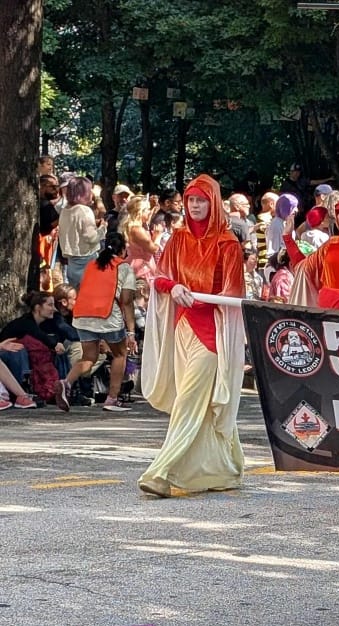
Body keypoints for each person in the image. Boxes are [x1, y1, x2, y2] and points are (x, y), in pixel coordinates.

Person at [138, 174, 246, 498]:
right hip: (183, 327)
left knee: (189, 401)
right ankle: (227, 467)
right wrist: (174, 287)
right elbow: (159, 278)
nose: (195, 206)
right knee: (197, 400)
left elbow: (233, 294)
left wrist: (197, 296)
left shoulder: (228, 244)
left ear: (213, 202)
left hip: (212, 333)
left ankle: (161, 471)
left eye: (201, 200)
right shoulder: (179, 238)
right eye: (191, 200)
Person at [56, 233, 138, 413]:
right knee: (119, 355)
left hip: (83, 315)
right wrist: (131, 332)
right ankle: (112, 398)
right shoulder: (124, 268)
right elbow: (126, 301)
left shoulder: (91, 265)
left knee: (88, 358)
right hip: (108, 316)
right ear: (123, 250)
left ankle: (66, 383)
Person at [0, 292, 68, 405]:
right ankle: (22, 389)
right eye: (50, 305)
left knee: (61, 353)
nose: (54, 309)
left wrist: (57, 343)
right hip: (6, 354)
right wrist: (55, 344)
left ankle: (64, 389)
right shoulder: (26, 322)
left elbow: (62, 333)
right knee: (19, 350)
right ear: (38, 307)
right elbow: (42, 337)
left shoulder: (45, 322)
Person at [58, 177, 106, 287]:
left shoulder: (65, 210)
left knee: (76, 295)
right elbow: (92, 238)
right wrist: (103, 228)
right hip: (86, 259)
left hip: (71, 260)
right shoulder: (84, 210)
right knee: (89, 294)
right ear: (84, 193)